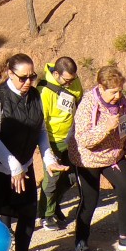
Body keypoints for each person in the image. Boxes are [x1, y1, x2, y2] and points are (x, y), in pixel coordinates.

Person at [0, 53, 63, 251]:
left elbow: (41, 131)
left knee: (27, 214)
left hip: (22, 167)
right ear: (9, 73)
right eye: (22, 78)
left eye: (32, 77)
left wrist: (48, 159)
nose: (27, 83)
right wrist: (13, 166)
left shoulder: (35, 95)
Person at [69, 65, 126, 251]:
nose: (117, 96)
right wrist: (105, 127)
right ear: (100, 87)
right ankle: (81, 239)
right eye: (113, 92)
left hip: (113, 155)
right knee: (90, 199)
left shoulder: (121, 101)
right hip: (87, 159)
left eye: (120, 91)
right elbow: (83, 139)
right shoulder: (88, 103)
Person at [37, 57, 83, 230]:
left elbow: (77, 100)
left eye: (73, 79)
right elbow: (42, 122)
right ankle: (46, 215)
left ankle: (54, 204)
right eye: (67, 80)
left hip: (72, 137)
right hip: (52, 140)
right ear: (56, 74)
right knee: (52, 179)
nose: (71, 83)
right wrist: (46, 147)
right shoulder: (44, 91)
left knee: (71, 176)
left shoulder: (73, 81)